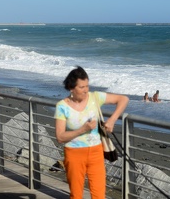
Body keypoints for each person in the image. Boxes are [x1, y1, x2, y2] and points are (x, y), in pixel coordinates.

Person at [55, 66, 129, 199]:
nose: (85, 90)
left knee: (99, 195)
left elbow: (123, 99)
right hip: (74, 154)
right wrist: (82, 129)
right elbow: (60, 137)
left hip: (96, 152)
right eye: (81, 87)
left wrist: (112, 120)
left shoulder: (95, 97)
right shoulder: (62, 106)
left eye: (87, 86)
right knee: (76, 195)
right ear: (71, 88)